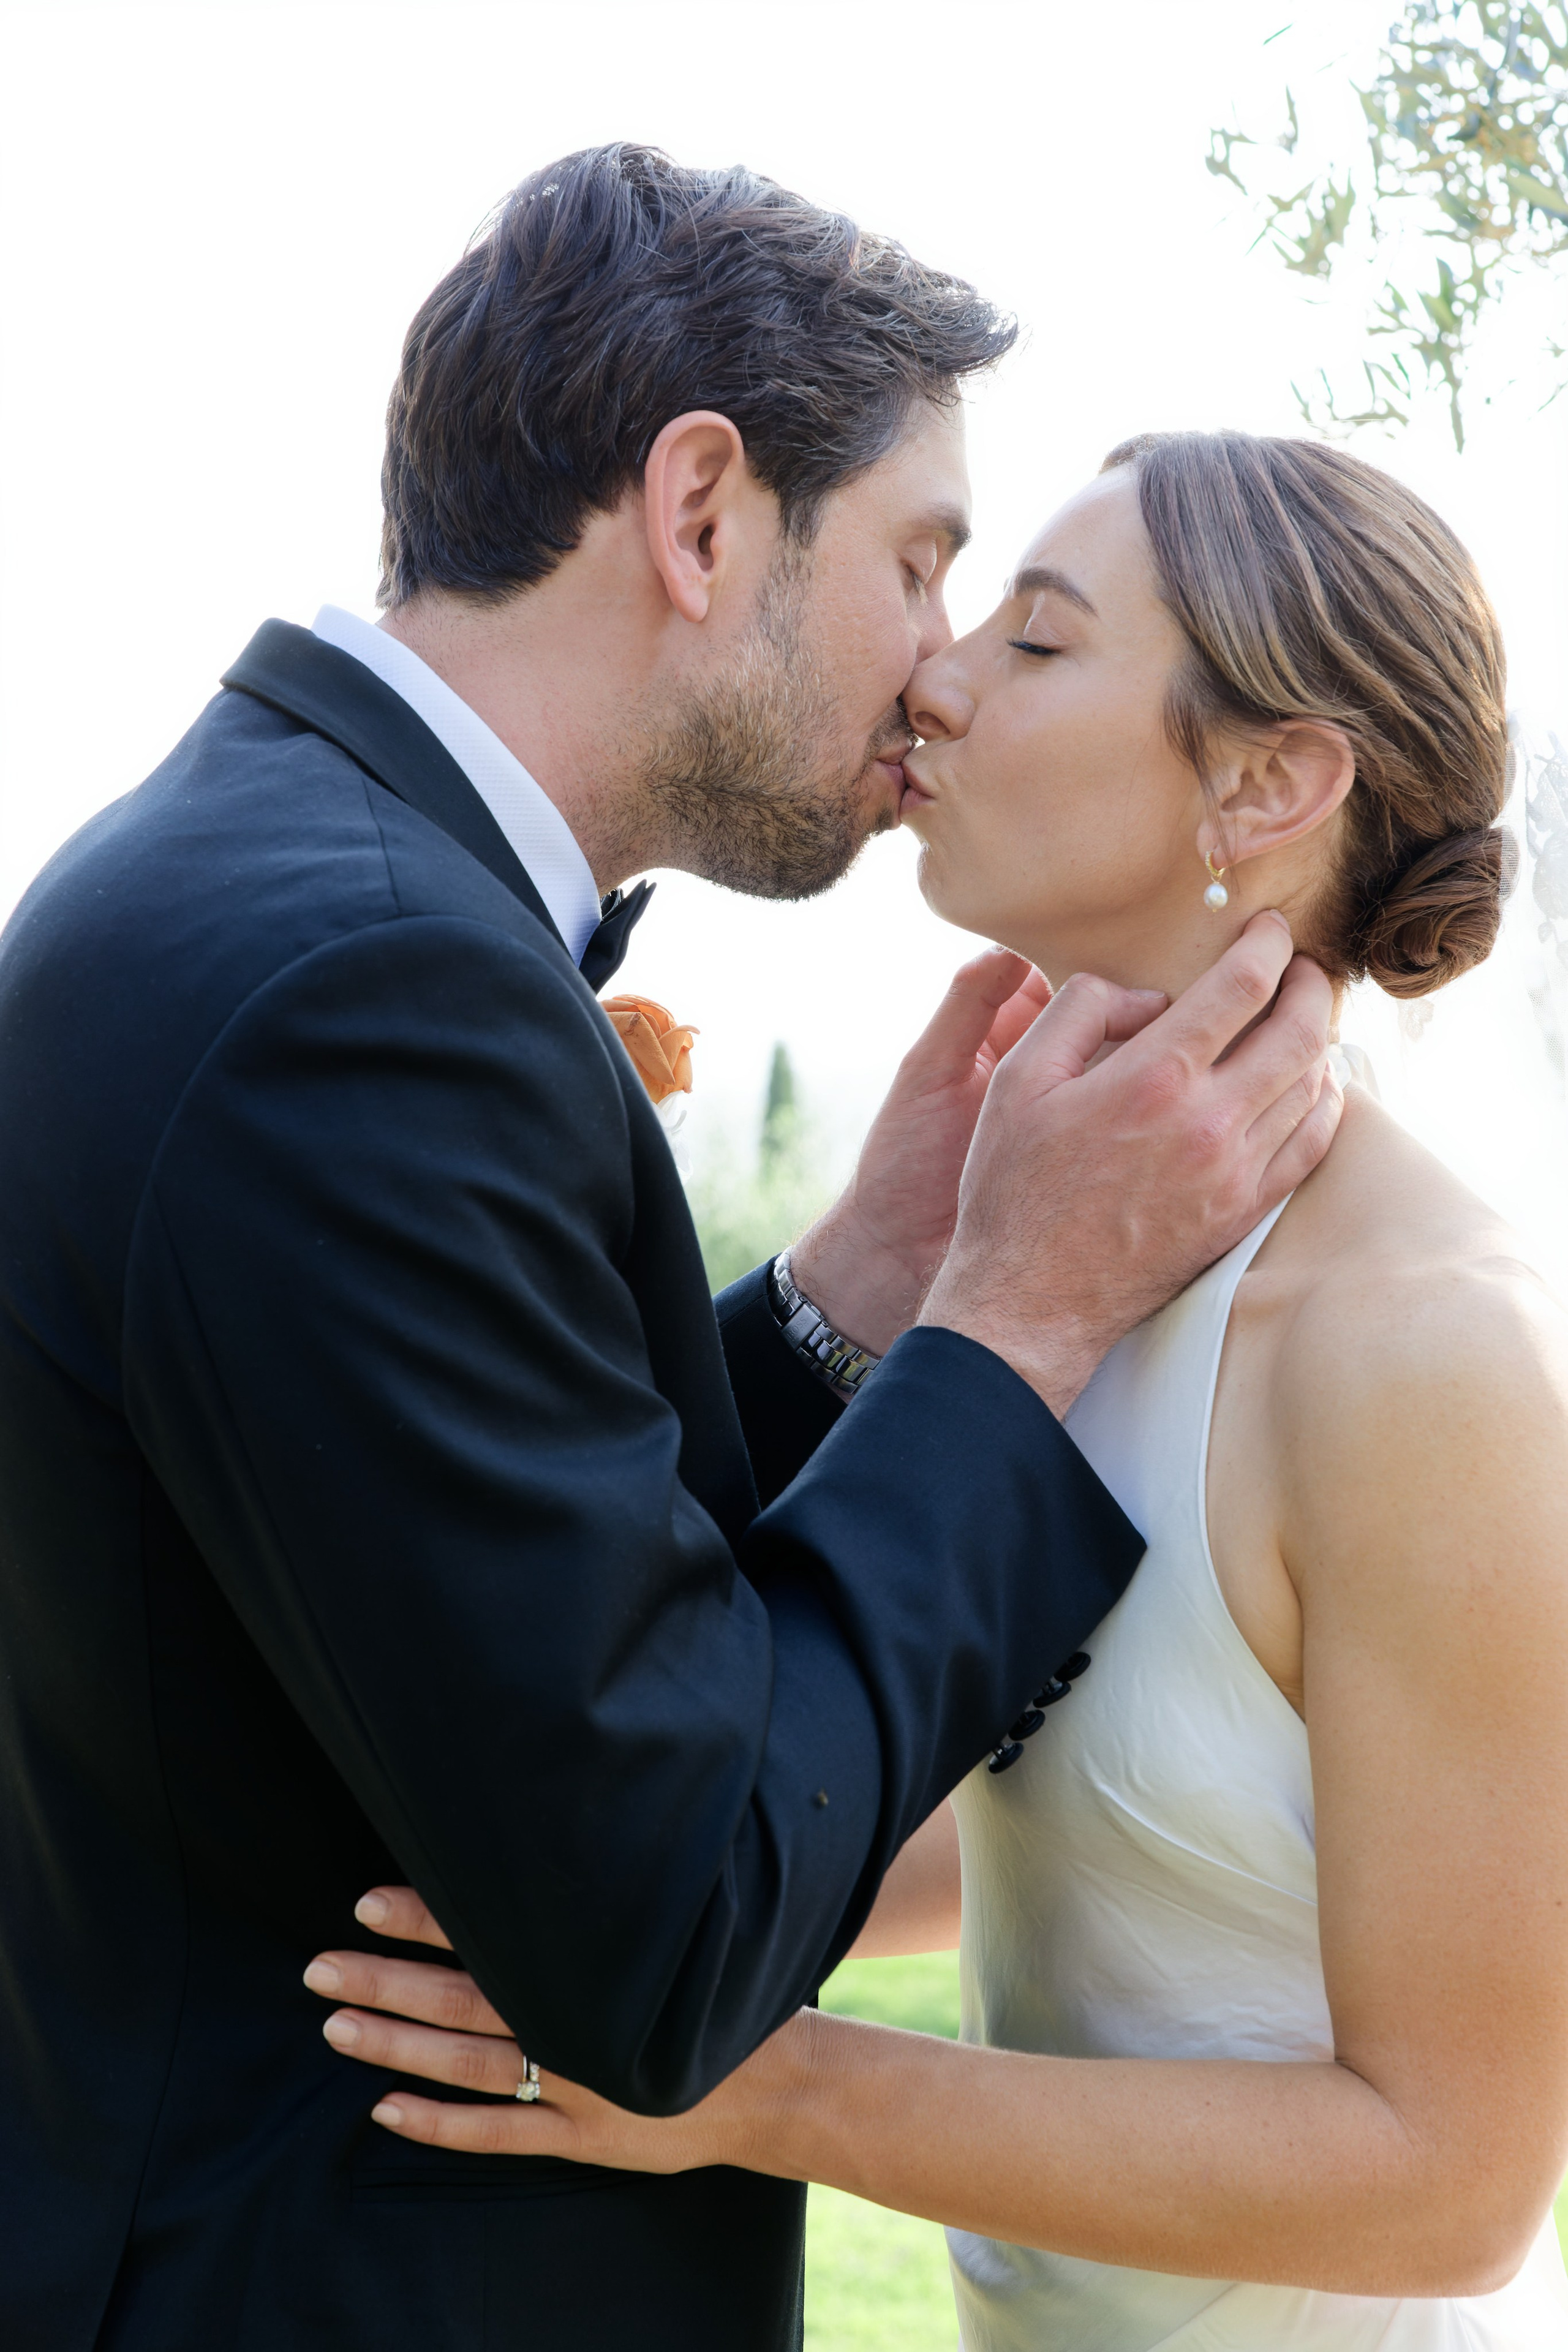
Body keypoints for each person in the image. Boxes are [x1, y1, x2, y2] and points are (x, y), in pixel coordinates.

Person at [0, 153, 1338, 2352]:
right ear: (704, 513)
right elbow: (672, 1919)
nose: (937, 672)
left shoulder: (273, 887)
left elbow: (466, 1562)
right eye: (922, 562)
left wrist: (852, 1298)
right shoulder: (364, 989)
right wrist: (1020, 1316)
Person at [315, 431, 1568, 2349]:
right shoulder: (1085, 1249)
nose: (939, 677)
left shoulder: (1423, 1349)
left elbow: (1457, 2180)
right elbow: (1083, 1811)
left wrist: (764, 2087)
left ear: (1270, 778)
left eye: (1041, 644)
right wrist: (621, 1918)